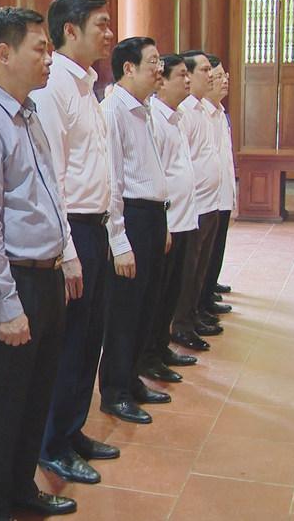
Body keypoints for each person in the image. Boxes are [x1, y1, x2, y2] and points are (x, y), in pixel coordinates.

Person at [0, 7, 77, 521]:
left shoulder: (27, 114)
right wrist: (6, 306)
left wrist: (67, 254)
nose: (48, 58)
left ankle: (22, 488)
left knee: (36, 395)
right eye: (40, 47)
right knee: (5, 402)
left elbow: (49, 193)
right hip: (16, 282)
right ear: (3, 54)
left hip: (46, 275)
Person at [32, 0, 120, 486]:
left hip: (97, 225)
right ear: (71, 30)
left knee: (91, 338)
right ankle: (52, 443)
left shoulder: (87, 86)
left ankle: (72, 428)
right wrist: (67, 251)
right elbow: (53, 178)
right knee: (69, 344)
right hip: (74, 231)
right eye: (101, 25)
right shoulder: (54, 89)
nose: (109, 34)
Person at [99, 37, 172, 425]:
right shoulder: (112, 111)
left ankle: (132, 379)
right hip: (132, 219)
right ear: (128, 68)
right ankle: (115, 390)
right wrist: (119, 238)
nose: (159, 69)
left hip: (153, 216)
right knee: (124, 311)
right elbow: (113, 179)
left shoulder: (144, 110)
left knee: (147, 305)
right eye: (153, 62)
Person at [138, 54, 201, 384]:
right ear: (162, 81)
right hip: (167, 222)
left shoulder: (176, 118)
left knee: (172, 292)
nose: (187, 81)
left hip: (183, 219)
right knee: (157, 296)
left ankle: (161, 348)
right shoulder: (155, 120)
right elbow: (155, 174)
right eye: (181, 75)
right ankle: (147, 356)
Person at [171, 50, 223, 352]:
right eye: (204, 70)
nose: (211, 75)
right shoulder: (185, 112)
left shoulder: (203, 109)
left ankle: (194, 315)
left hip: (209, 201)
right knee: (187, 271)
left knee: (200, 267)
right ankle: (181, 324)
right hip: (193, 205)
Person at [199, 54, 237, 316]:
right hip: (205, 197)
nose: (224, 81)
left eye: (225, 76)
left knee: (217, 246)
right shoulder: (199, 113)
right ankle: (201, 297)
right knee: (203, 254)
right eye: (218, 76)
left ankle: (209, 287)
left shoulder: (220, 113)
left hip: (221, 194)